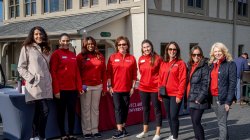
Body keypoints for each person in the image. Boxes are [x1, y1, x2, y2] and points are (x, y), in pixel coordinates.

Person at [17, 26, 53, 140]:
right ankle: (40, 136)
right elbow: (20, 67)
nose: (39, 36)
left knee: (39, 112)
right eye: (36, 34)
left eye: (40, 33)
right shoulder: (27, 48)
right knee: (45, 110)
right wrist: (32, 79)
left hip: (46, 85)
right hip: (35, 85)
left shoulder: (47, 49)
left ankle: (36, 136)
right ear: (32, 35)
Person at [50, 33, 82, 140]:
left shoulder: (73, 54)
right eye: (63, 41)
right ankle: (63, 134)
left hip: (72, 89)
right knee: (61, 113)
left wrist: (79, 87)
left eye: (67, 41)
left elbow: (76, 72)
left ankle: (71, 133)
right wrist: (56, 90)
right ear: (59, 42)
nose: (65, 43)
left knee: (72, 112)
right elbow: (53, 73)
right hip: (61, 90)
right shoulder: (56, 54)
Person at [107, 36, 137, 139]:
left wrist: (133, 87)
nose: (121, 46)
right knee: (118, 109)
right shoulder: (112, 57)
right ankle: (119, 130)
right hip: (116, 89)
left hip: (127, 89)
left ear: (127, 45)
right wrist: (110, 86)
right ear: (116, 46)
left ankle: (123, 128)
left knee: (125, 109)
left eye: (124, 44)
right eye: (119, 44)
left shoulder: (132, 58)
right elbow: (109, 73)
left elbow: (134, 74)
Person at [76, 36, 107, 139]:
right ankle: (87, 131)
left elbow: (104, 73)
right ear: (84, 45)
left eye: (92, 44)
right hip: (85, 87)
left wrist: (104, 88)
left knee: (95, 109)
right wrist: (80, 86)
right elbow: (77, 73)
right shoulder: (80, 56)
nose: (90, 45)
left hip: (98, 86)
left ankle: (95, 130)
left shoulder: (100, 56)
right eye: (88, 44)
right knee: (85, 109)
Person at [159, 41, 187, 140]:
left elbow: (183, 80)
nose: (172, 51)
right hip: (165, 94)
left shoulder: (181, 63)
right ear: (167, 50)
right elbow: (160, 79)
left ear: (177, 51)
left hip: (175, 94)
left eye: (174, 49)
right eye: (170, 49)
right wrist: (160, 94)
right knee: (169, 116)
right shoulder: (163, 63)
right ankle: (172, 134)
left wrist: (180, 95)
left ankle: (175, 137)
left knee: (174, 116)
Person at [135, 39, 162, 140]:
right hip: (143, 88)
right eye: (144, 47)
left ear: (151, 47)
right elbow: (142, 73)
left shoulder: (158, 58)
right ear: (142, 49)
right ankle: (145, 131)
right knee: (145, 109)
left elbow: (161, 73)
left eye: (148, 47)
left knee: (157, 110)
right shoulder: (141, 59)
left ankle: (157, 133)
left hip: (155, 88)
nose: (146, 49)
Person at [209, 42, 237, 140]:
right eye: (215, 51)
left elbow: (233, 84)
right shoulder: (212, 64)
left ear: (224, 51)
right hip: (213, 97)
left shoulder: (230, 64)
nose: (217, 53)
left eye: (219, 51)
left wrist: (228, 101)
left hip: (223, 98)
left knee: (221, 122)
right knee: (221, 120)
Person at [186, 46, 210, 140]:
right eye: (194, 54)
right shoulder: (190, 65)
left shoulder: (204, 66)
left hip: (199, 99)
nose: (196, 56)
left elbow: (206, 84)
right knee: (194, 122)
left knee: (196, 121)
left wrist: (199, 99)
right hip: (190, 97)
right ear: (191, 55)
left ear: (201, 55)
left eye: (198, 54)